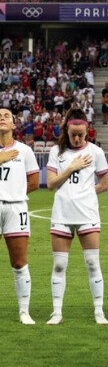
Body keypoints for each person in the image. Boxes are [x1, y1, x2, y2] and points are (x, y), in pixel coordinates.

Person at [45, 108, 108, 325]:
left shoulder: (96, 152)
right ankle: (56, 312)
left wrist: (87, 194)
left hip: (87, 213)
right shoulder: (57, 152)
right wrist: (71, 167)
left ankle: (99, 311)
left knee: (92, 262)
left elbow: (104, 183)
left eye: (81, 134)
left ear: (87, 130)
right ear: (67, 129)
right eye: (73, 134)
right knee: (60, 265)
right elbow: (51, 184)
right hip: (62, 214)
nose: (77, 137)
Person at [0, 108, 40, 325]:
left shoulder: (24, 151)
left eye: (6, 115)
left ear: (14, 125)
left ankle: (24, 311)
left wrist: (14, 192)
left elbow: (33, 182)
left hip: (16, 208)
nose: (2, 118)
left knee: (19, 262)